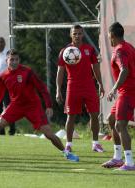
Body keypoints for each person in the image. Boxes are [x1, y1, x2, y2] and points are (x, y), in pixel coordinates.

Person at [0, 49, 79, 162]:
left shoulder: (27, 72)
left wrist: (48, 105)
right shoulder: (3, 76)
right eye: (12, 60)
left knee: (48, 133)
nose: (14, 62)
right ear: (7, 61)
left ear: (19, 60)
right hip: (16, 105)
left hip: (33, 106)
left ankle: (66, 153)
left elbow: (41, 88)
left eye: (16, 59)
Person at [56, 24, 105, 153]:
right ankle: (68, 144)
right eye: (74, 33)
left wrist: (100, 84)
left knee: (94, 114)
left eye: (79, 33)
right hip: (73, 86)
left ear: (83, 34)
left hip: (89, 85)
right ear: (71, 35)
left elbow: (96, 68)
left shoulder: (89, 49)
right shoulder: (65, 51)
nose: (77, 36)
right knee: (71, 116)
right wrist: (58, 89)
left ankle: (95, 143)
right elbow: (60, 72)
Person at [101, 22, 135, 171]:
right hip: (126, 91)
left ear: (112, 35)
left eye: (109, 36)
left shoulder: (120, 50)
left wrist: (114, 88)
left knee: (120, 125)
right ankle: (117, 158)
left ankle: (129, 162)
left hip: (128, 91)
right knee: (111, 119)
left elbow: (124, 70)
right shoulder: (128, 47)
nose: (109, 38)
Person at [0, 37, 16, 135]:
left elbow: (11, 67)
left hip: (6, 81)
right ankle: (0, 130)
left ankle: (12, 129)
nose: (0, 44)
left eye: (2, 42)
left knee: (8, 106)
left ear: (5, 43)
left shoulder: (7, 54)